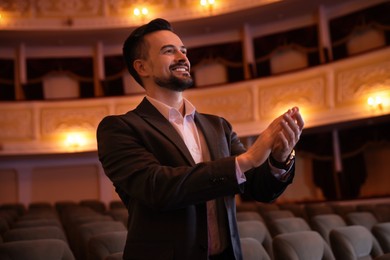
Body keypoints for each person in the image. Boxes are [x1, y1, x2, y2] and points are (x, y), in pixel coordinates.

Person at [97, 18, 304, 260]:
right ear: (142, 68)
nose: (183, 57)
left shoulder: (218, 126)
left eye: (183, 51)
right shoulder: (119, 128)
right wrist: (246, 159)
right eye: (169, 51)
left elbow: (260, 189)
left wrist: (279, 159)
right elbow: (157, 188)